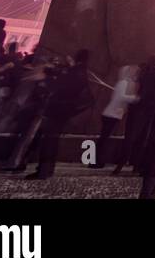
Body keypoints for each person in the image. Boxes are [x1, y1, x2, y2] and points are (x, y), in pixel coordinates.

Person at [29, 49, 93, 179]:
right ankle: (48, 169)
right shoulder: (81, 72)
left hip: (58, 109)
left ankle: (43, 170)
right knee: (53, 140)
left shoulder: (74, 72)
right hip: (65, 111)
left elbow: (60, 86)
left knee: (49, 141)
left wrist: (46, 82)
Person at [92, 63, 138, 170]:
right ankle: (95, 161)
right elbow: (121, 97)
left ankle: (97, 160)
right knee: (103, 139)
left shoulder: (125, 83)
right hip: (111, 114)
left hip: (114, 114)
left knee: (104, 138)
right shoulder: (123, 83)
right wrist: (135, 98)